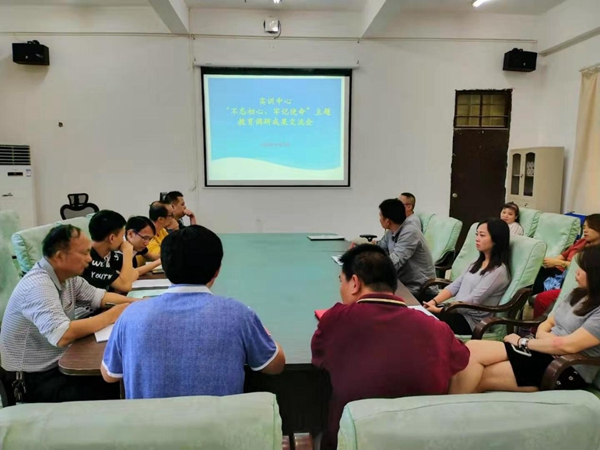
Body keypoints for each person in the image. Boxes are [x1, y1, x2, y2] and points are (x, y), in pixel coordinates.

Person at [311, 244, 470, 450]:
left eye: (342, 281)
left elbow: (319, 357)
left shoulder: (337, 319)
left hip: (353, 440)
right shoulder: (436, 328)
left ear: (355, 283)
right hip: (418, 442)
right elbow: (461, 359)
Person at [101, 225, 286, 399]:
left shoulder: (131, 315)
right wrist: (265, 335)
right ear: (217, 271)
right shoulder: (239, 314)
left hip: (149, 423)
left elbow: (109, 375)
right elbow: (275, 366)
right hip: (217, 423)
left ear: (164, 266)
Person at [0, 225, 131, 403]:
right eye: (84, 253)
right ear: (60, 256)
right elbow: (62, 335)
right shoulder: (38, 286)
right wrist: (112, 314)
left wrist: (141, 303)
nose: (89, 259)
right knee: (118, 386)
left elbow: (100, 297)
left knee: (119, 377)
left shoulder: (68, 278)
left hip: (58, 363)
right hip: (32, 379)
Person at [451, 245, 600, 394]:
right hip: (544, 349)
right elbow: (549, 321)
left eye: (583, 269)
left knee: (481, 375)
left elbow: (568, 346)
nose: (576, 272)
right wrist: (543, 336)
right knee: (471, 349)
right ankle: (451, 402)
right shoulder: (578, 293)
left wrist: (522, 341)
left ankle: (453, 404)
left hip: (566, 368)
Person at [423, 218, 511, 334]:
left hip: (471, 322)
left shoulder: (498, 271)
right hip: (456, 311)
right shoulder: (477, 262)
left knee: (423, 320)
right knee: (418, 310)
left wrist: (440, 310)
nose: (477, 238)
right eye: (477, 234)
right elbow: (455, 285)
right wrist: (433, 302)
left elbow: (473, 300)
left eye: (482, 235)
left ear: (496, 240)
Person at [533, 214, 600, 318]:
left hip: (572, 278)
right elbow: (564, 255)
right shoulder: (583, 241)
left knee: (540, 294)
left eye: (589, 227)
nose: (585, 231)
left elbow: (579, 268)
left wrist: (558, 263)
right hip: (559, 270)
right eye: (584, 227)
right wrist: (551, 261)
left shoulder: (596, 253)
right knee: (534, 275)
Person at [376, 198, 436, 297]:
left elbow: (395, 262)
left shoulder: (410, 232)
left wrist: (369, 267)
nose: (379, 219)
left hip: (420, 289)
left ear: (387, 221)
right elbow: (379, 249)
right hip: (402, 283)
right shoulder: (391, 232)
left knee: (376, 296)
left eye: (380, 216)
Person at [82, 210, 138, 293]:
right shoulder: (89, 260)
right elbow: (126, 286)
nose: (124, 241)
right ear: (112, 238)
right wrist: (127, 252)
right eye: (122, 236)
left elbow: (134, 272)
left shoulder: (109, 254)